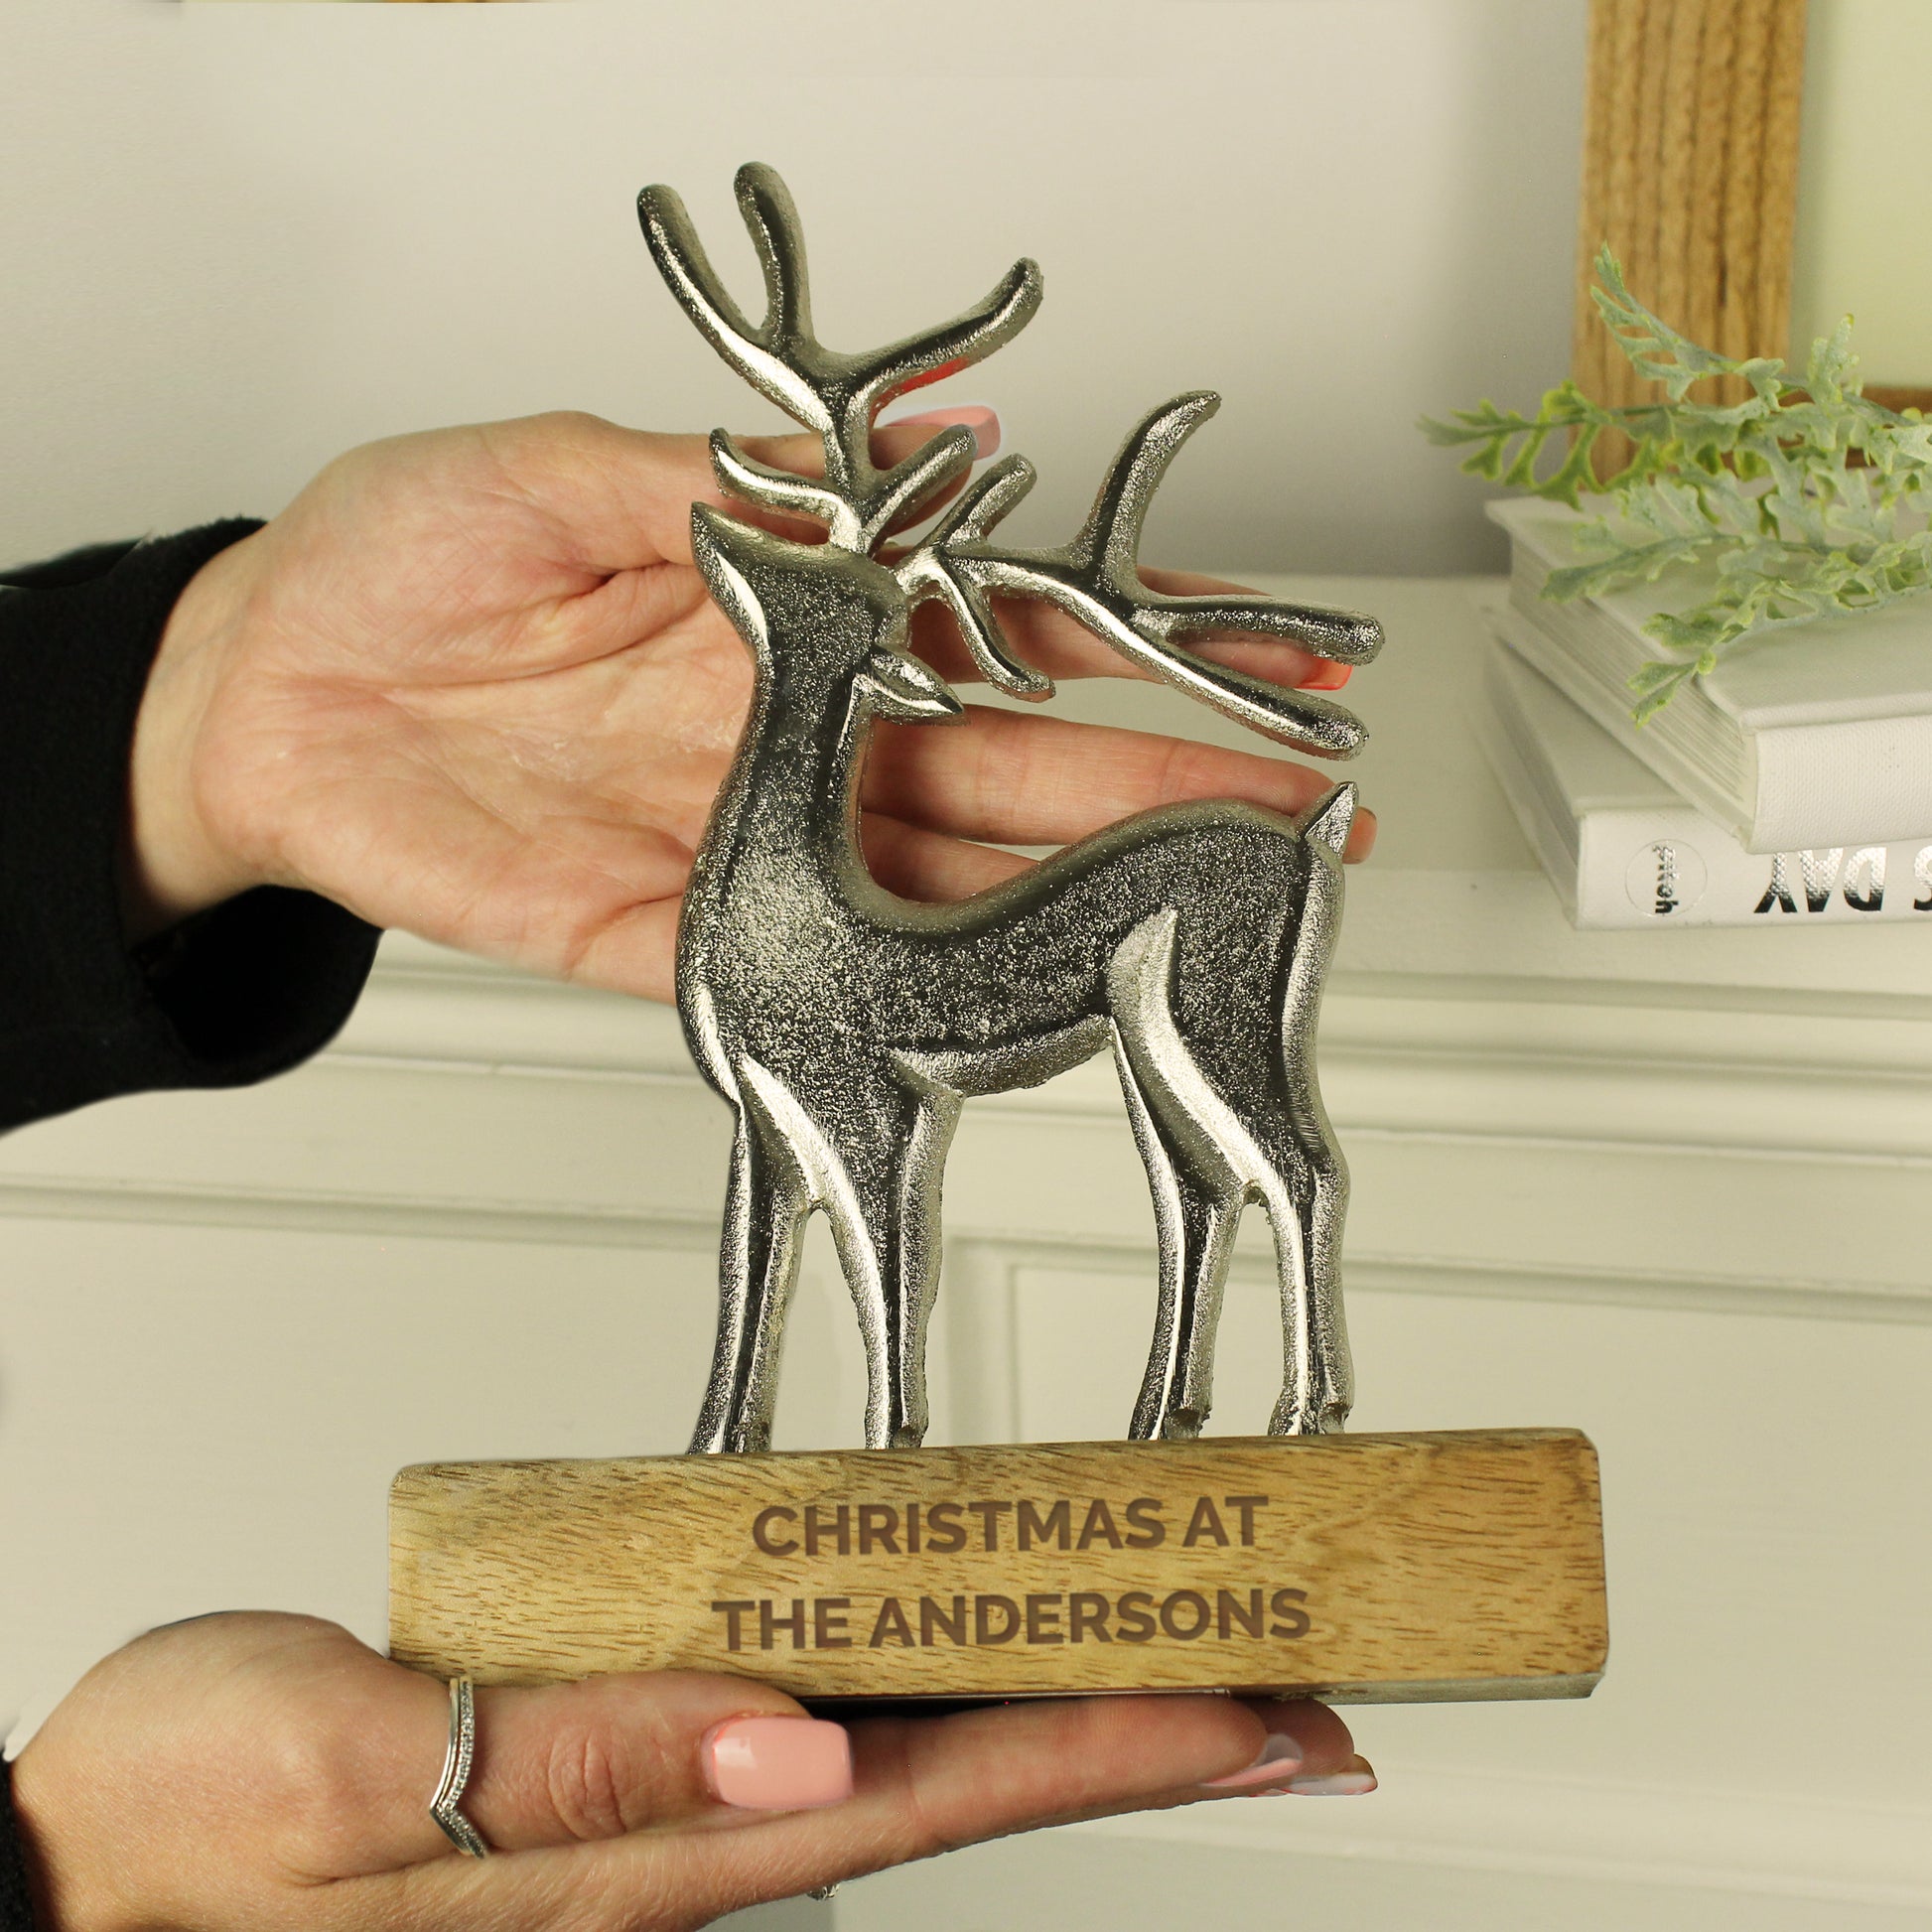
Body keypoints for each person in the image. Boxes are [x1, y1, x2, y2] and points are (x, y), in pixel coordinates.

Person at [0, 407, 1375, 1931]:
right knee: (908, 1150)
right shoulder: (751, 928)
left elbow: (876, 1140)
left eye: (827, 627)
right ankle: (771, 1433)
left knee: (1235, 1144)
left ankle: (1222, 1399)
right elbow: (797, 1149)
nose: (777, 605)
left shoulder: (1073, 878)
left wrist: (194, 696)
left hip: (1064, 937)